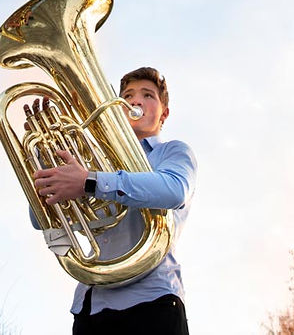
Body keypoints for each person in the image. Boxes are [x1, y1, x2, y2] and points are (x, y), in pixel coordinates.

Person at [31, 67, 197, 335]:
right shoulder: (91, 162)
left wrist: (89, 181)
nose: (135, 101)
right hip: (91, 306)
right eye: (128, 95)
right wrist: (47, 161)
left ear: (164, 113)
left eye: (148, 95)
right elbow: (40, 219)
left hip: (153, 303)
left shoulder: (173, 152)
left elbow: (175, 191)